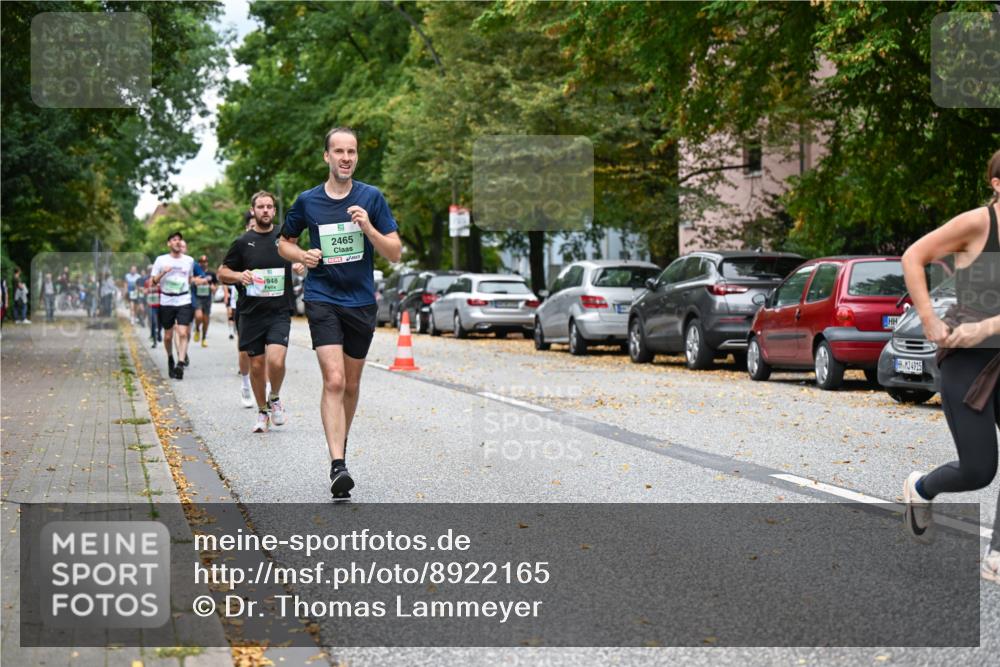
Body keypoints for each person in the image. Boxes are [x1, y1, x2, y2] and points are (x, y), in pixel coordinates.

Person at [278, 127, 401, 498]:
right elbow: (284, 243)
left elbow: (394, 252)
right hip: (323, 297)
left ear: (356, 157)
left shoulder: (372, 197)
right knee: (333, 380)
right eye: (339, 151)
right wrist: (303, 256)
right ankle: (337, 465)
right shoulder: (307, 201)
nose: (346, 157)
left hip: (361, 302)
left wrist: (369, 228)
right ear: (326, 157)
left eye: (352, 152)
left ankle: (340, 446)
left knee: (350, 384)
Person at [900, 149, 1000, 582]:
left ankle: (997, 554)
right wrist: (929, 319)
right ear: (997, 184)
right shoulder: (979, 223)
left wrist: (989, 328)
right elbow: (913, 257)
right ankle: (920, 489)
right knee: (979, 469)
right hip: (968, 363)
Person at [220, 191, 305, 433]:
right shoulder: (242, 242)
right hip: (251, 312)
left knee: (276, 360)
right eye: (261, 207)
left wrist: (300, 265)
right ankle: (262, 411)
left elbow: (302, 259)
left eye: (269, 206)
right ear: (253, 210)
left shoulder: (285, 239)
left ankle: (274, 397)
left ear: (274, 211)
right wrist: (238, 275)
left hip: (279, 311)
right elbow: (222, 272)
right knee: (256, 366)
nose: (265, 210)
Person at [151, 232, 207, 379]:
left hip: (183, 300)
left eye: (179, 240)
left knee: (183, 333)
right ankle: (170, 358)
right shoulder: (161, 260)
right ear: (169, 243)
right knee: (168, 336)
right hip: (166, 300)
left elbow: (188, 279)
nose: (177, 242)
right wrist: (164, 272)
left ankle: (180, 363)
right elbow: (153, 282)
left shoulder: (188, 260)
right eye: (174, 240)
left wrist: (196, 281)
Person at [193, 255, 218, 347]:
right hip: (198, 297)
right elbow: (191, 282)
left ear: (207, 262)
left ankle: (203, 338)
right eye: (201, 262)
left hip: (207, 299)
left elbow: (215, 286)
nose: (203, 263)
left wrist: (213, 288)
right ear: (199, 263)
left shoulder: (211, 274)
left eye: (205, 261)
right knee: (199, 316)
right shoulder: (195, 272)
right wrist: (197, 281)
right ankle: (197, 329)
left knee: (206, 319)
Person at [144, 265, 162, 348]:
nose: (151, 272)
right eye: (150, 270)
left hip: (160, 305)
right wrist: (148, 290)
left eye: (152, 270)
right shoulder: (147, 282)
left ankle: (159, 333)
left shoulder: (160, 281)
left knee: (160, 322)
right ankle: (154, 341)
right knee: (153, 322)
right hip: (151, 305)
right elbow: (144, 291)